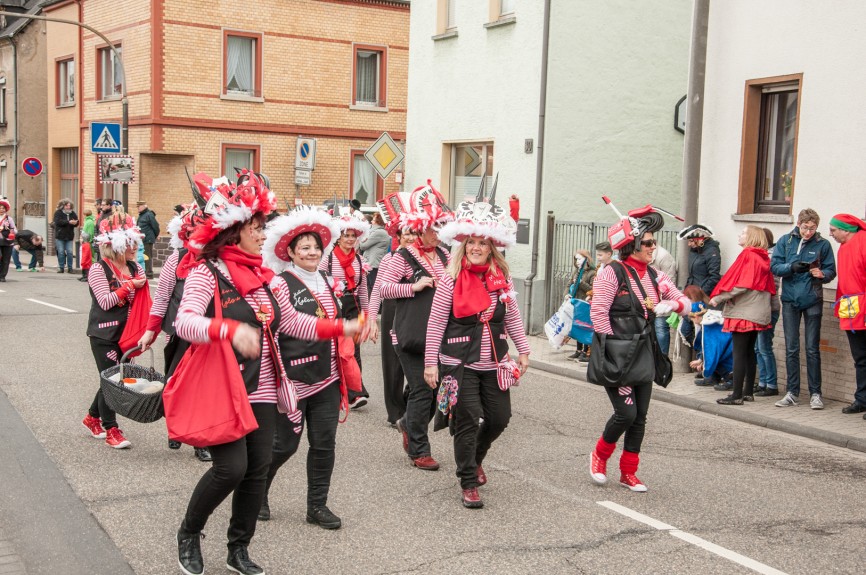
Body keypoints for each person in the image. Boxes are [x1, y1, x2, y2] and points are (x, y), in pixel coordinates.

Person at [172, 172, 286, 575]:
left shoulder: (261, 273)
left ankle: (238, 549)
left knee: (257, 472)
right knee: (230, 468)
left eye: (262, 227)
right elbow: (184, 323)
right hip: (222, 388)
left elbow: (287, 323)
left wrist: (342, 328)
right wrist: (228, 329)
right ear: (233, 231)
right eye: (256, 228)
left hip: (263, 389)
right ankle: (189, 532)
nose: (262, 235)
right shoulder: (208, 273)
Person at [259, 206, 364, 529]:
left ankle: (317, 506)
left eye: (316, 247)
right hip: (292, 381)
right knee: (284, 446)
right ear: (289, 252)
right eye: (304, 247)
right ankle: (257, 490)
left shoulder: (329, 282)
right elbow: (286, 326)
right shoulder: (278, 284)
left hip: (326, 379)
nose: (312, 252)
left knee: (324, 444)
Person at [423, 192, 529, 508]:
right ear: (464, 245)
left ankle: (476, 458)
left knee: (499, 418)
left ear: (492, 247)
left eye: (483, 243)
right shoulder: (451, 279)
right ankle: (468, 481)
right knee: (467, 419)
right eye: (471, 242)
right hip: (459, 362)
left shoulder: (502, 278)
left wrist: (523, 350)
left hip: (494, 362)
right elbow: (436, 322)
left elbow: (512, 316)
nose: (477, 248)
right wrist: (431, 362)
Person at [588, 208, 690, 492]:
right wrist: (613, 352)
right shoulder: (611, 272)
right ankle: (599, 455)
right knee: (626, 413)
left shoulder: (656, 275)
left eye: (653, 242)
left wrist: (673, 305)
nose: (652, 246)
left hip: (644, 352)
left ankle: (628, 473)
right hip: (617, 355)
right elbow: (598, 313)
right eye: (647, 242)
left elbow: (685, 302)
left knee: (640, 416)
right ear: (631, 245)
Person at [378, 183, 453, 471]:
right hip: (409, 335)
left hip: (439, 334)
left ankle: (408, 423)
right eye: (434, 227)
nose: (439, 231)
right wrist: (414, 286)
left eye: (441, 226)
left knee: (435, 390)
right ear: (420, 228)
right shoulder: (403, 257)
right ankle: (419, 449)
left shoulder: (446, 256)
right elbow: (383, 289)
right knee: (422, 387)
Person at [139, 205, 213, 462]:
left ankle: (198, 439)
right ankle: (176, 427)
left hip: (210, 337)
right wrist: (151, 330)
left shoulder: (222, 260)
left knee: (203, 388)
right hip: (180, 336)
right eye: (196, 232)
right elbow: (161, 297)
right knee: (177, 384)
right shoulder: (177, 258)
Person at [82, 227, 147, 449]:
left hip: (128, 334)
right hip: (103, 333)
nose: (135, 247)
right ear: (115, 246)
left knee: (116, 378)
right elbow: (105, 301)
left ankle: (92, 418)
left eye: (136, 242)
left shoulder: (135, 267)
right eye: (130, 243)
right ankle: (111, 428)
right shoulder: (98, 269)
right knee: (112, 380)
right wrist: (129, 285)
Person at [770, 209, 836, 409]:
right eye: (805, 227)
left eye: (812, 228)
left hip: (813, 299)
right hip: (790, 299)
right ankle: (792, 392)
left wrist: (821, 273)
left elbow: (831, 270)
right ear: (798, 224)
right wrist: (791, 267)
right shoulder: (785, 241)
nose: (808, 232)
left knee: (812, 348)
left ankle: (816, 393)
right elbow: (774, 267)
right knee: (792, 348)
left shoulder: (823, 244)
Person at [709, 225, 776, 405]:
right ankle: (747, 392)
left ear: (752, 237)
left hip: (744, 310)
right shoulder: (762, 257)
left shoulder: (749, 255)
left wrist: (719, 298)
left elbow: (742, 284)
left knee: (739, 353)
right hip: (757, 309)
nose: (740, 234)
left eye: (744, 233)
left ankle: (736, 395)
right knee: (749, 353)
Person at [320, 208, 372, 409]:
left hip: (354, 307)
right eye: (346, 236)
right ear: (338, 238)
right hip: (334, 307)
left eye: (353, 236)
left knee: (353, 349)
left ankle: (356, 392)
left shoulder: (359, 261)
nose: (350, 240)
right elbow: (321, 284)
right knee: (337, 350)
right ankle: (336, 388)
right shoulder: (329, 259)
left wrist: (367, 315)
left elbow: (363, 289)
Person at [367, 225, 417, 427]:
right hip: (393, 308)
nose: (411, 237)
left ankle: (412, 400)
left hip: (415, 310)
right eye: (407, 233)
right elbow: (378, 290)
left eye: (414, 233)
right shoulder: (389, 259)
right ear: (398, 237)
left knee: (416, 359)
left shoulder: (424, 259)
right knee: (392, 361)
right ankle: (395, 411)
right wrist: (371, 319)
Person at [827, 214, 866, 416]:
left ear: (846, 229)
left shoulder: (864, 242)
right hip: (851, 304)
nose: (830, 234)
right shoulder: (843, 248)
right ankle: (862, 399)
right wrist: (840, 308)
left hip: (864, 303)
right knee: (859, 356)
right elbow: (844, 282)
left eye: (833, 230)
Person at [755, 228, 781, 396]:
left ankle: (771, 384)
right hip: (759, 308)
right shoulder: (760, 256)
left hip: (768, 308)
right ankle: (763, 381)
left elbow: (773, 283)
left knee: (765, 347)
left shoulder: (770, 257)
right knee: (758, 348)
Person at [566, 249, 596, 362]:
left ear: (586, 259)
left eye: (579, 259)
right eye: (576, 259)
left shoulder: (592, 273)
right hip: (576, 302)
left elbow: (592, 289)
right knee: (577, 326)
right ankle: (578, 350)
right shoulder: (576, 271)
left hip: (585, 303)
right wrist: (567, 294)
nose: (577, 261)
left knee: (584, 327)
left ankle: (585, 351)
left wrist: (580, 283)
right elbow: (569, 284)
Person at [651, 244, 678, 355]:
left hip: (661, 302)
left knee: (661, 331)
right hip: (647, 302)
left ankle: (662, 361)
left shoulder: (664, 257)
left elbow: (670, 282)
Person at [359, 211, 390, 296]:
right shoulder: (377, 232)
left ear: (378, 221)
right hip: (372, 264)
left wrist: (362, 240)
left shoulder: (378, 232)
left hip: (374, 264)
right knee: (370, 287)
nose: (371, 221)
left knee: (372, 288)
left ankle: (375, 307)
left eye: (373, 219)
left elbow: (363, 246)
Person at [53, 198, 79, 273]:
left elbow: (76, 222)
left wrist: (75, 223)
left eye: (69, 206)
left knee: (70, 252)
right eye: (67, 206)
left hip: (69, 236)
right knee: (61, 252)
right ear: (63, 206)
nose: (68, 207)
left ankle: (70, 268)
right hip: (60, 235)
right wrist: (68, 222)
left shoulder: (72, 213)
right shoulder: (58, 213)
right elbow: (57, 222)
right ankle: (61, 267)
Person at [136, 201, 160, 280]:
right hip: (142, 239)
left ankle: (149, 273)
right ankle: (145, 272)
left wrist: (154, 236)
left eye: (139, 207)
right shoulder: (142, 215)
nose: (138, 208)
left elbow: (156, 226)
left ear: (144, 206)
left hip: (148, 239)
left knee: (147, 256)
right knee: (144, 256)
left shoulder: (149, 215)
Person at [0, 198, 17, 282]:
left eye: (3, 208)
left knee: (6, 259)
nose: (1, 210)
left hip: (7, 241)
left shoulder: (9, 219)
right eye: (0, 208)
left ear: (6, 209)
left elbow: (14, 230)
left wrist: (9, 231)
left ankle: (2, 276)